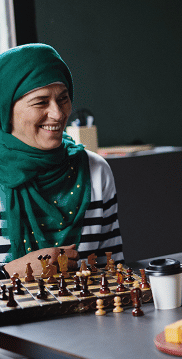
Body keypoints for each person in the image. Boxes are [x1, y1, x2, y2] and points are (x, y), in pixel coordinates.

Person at [0, 44, 123, 278]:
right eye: (41, 102)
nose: (58, 114)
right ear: (5, 108)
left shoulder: (96, 171)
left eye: (63, 98)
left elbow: (113, 271)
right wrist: (10, 272)